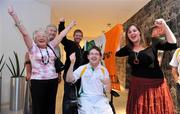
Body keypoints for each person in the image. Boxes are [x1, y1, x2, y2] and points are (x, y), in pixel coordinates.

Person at [8, 6, 76, 114]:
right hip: (37, 82)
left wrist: (71, 25)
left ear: (47, 38)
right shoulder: (32, 48)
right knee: (38, 107)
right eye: (38, 36)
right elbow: (24, 33)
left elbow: (62, 35)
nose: (41, 37)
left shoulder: (51, 46)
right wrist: (13, 15)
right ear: (34, 39)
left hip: (52, 81)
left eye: (44, 35)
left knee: (50, 107)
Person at [115, 18, 177, 114]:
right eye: (129, 32)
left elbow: (173, 44)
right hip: (137, 86)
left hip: (155, 85)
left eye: (134, 30)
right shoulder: (128, 48)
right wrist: (118, 37)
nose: (132, 33)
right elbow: (117, 53)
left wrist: (165, 25)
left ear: (139, 32)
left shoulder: (152, 42)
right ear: (127, 36)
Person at [66, 46, 113, 114]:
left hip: (100, 98)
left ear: (100, 57)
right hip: (85, 98)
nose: (94, 56)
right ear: (88, 56)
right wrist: (72, 63)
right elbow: (68, 80)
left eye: (96, 54)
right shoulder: (83, 68)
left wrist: (108, 83)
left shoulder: (104, 70)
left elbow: (107, 90)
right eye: (92, 53)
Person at [58, 18, 87, 114]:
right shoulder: (69, 44)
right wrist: (62, 23)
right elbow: (62, 38)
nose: (78, 37)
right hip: (69, 72)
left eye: (80, 36)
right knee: (68, 96)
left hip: (78, 74)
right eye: (77, 35)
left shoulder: (81, 48)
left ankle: (75, 111)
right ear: (74, 36)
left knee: (76, 94)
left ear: (82, 37)